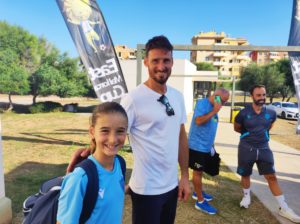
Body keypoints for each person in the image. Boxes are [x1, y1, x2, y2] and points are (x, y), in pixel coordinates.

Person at [66, 35, 190, 224]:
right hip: (146, 190)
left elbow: (181, 136)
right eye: (155, 60)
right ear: (146, 62)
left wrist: (185, 176)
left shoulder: (177, 97)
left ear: (172, 61)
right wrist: (88, 155)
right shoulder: (133, 99)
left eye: (166, 60)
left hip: (171, 187)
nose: (161, 66)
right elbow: (113, 133)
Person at [234, 84, 300, 223]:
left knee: (272, 177)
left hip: (264, 149)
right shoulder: (243, 113)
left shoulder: (271, 112)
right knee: (245, 174)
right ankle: (246, 196)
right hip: (247, 148)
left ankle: (283, 207)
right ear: (252, 96)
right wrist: (249, 134)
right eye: (258, 95)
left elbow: (269, 125)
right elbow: (237, 127)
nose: (262, 98)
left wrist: (261, 134)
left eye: (264, 95)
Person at [57, 102, 128, 224]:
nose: (113, 139)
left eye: (120, 131)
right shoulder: (80, 178)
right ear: (92, 132)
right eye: (105, 131)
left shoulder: (120, 164)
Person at [188, 88, 229, 215]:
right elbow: (198, 121)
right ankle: (200, 201)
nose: (223, 104)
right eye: (222, 101)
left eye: (225, 102)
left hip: (206, 146)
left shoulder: (214, 107)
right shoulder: (203, 104)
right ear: (216, 96)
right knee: (198, 172)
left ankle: (197, 192)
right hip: (197, 147)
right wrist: (214, 111)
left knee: (202, 171)